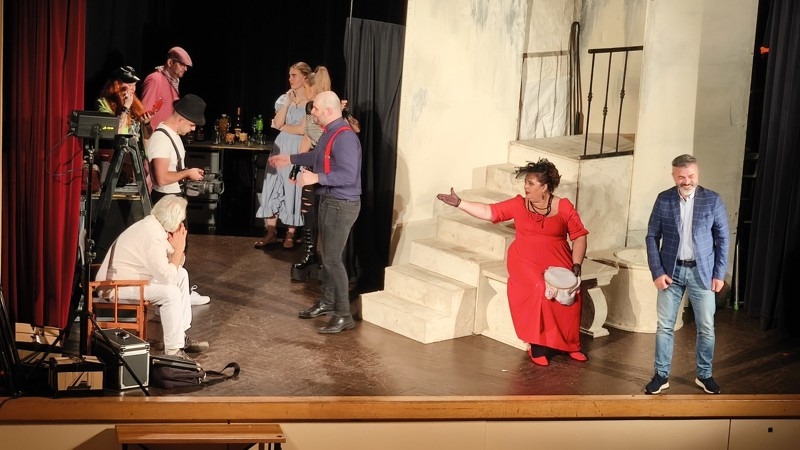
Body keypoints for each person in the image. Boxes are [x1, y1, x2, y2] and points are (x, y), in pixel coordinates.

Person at [436, 158, 589, 366]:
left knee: (571, 291)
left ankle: (569, 345)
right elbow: (490, 211)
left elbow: (579, 236)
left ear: (545, 187)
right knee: (539, 287)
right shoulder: (518, 204)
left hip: (557, 257)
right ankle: (537, 345)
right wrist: (460, 203)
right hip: (525, 259)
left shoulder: (563, 207)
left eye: (531, 183)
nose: (526, 187)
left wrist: (576, 263)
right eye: (525, 182)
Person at [269, 91, 362, 333]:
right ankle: (328, 302)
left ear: (329, 111)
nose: (312, 112)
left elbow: (348, 175)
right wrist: (290, 158)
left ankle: (343, 315)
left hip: (341, 204)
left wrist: (317, 177)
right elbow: (317, 156)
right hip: (330, 200)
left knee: (332, 259)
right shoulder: (330, 131)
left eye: (316, 109)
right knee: (327, 256)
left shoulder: (345, 137)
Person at [644, 154, 730, 395]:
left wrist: (719, 274)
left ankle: (704, 375)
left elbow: (723, 239)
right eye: (681, 177)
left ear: (697, 174)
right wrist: (657, 271)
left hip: (702, 273)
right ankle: (661, 376)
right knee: (665, 327)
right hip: (670, 272)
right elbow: (652, 236)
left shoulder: (712, 200)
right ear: (673, 176)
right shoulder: (664, 199)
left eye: (691, 175)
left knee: (706, 327)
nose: (687, 181)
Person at [94, 195, 209, 361]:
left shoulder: (156, 227)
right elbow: (167, 276)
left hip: (135, 280)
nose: (181, 226)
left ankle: (181, 336)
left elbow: (175, 265)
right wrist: (179, 248)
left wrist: (178, 248)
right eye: (180, 221)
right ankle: (174, 351)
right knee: (171, 293)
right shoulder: (151, 234)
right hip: (117, 287)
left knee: (182, 275)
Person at [147, 93, 210, 306]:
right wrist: (187, 173)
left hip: (174, 199)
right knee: (172, 250)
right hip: (166, 200)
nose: (193, 129)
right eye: (192, 125)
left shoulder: (173, 136)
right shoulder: (161, 139)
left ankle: (179, 291)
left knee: (180, 247)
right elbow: (161, 178)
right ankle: (170, 297)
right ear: (181, 118)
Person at [255, 62, 312, 250]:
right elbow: (277, 121)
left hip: (297, 147)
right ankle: (270, 232)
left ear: (305, 77)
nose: (290, 79)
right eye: (289, 75)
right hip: (280, 146)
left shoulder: (311, 101)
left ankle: (290, 233)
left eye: (294, 75)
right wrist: (287, 104)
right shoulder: (284, 99)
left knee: (291, 188)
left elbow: (302, 130)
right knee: (272, 186)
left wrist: (282, 126)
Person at [290, 65, 332, 280]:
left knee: (324, 215)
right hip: (310, 165)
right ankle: (309, 254)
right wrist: (295, 165)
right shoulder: (309, 109)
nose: (304, 92)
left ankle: (326, 258)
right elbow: (307, 138)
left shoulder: (328, 110)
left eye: (306, 88)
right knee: (308, 212)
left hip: (325, 167)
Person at [96, 65, 154, 188]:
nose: (132, 88)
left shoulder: (136, 104)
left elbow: (145, 136)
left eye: (134, 85)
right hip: (115, 159)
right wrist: (125, 108)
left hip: (134, 159)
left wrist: (146, 122)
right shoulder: (104, 103)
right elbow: (115, 133)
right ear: (117, 84)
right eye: (129, 84)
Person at [141, 46, 193, 131]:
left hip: (167, 133)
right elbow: (144, 113)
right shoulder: (155, 79)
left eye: (186, 66)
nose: (185, 69)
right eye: (181, 65)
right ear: (170, 62)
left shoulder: (174, 83)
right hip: (155, 135)